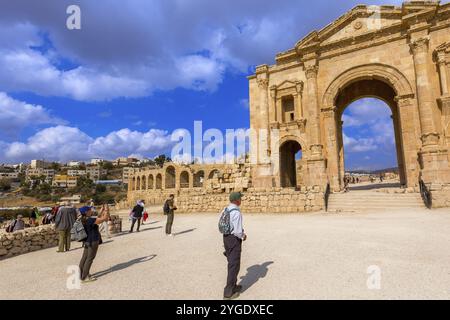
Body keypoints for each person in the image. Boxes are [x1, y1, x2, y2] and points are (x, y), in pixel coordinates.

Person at [222, 192, 246, 300]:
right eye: (240, 198)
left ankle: (234, 286)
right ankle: (228, 293)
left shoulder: (225, 209)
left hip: (226, 238)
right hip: (234, 239)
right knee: (234, 265)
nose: (241, 200)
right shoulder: (236, 212)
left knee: (233, 263)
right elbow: (237, 231)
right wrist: (243, 235)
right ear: (237, 200)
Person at [78, 205, 110, 283]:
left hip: (86, 241)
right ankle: (85, 277)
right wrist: (106, 210)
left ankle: (81, 275)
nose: (91, 211)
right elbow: (105, 219)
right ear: (86, 212)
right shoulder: (90, 220)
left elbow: (96, 219)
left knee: (84, 258)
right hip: (93, 241)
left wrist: (101, 211)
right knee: (90, 259)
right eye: (90, 210)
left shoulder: (82, 219)